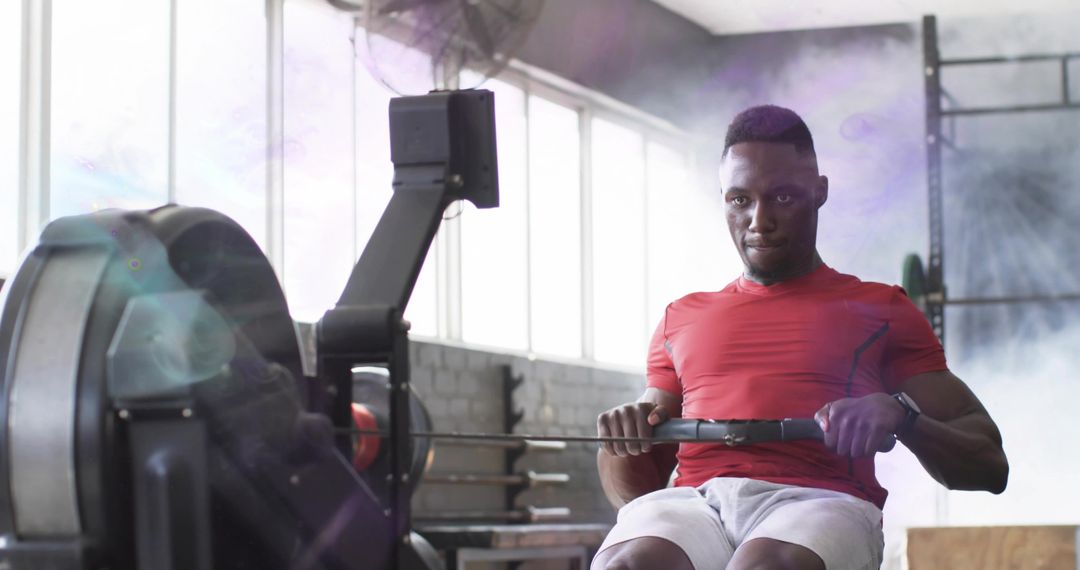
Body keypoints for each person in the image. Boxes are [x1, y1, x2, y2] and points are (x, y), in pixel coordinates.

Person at [592, 105, 1008, 570]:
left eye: (783, 198)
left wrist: (901, 416)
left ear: (819, 192)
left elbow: (990, 465)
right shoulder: (682, 317)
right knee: (628, 563)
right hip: (695, 503)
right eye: (739, 200)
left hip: (818, 501)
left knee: (768, 566)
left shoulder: (882, 308)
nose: (759, 220)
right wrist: (621, 441)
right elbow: (634, 494)